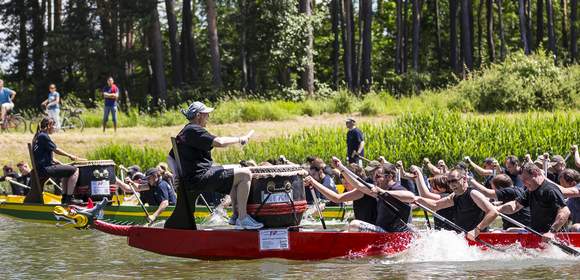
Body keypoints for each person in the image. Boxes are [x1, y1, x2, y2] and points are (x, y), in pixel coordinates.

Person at [169, 101, 263, 229]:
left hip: (195, 177)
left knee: (239, 168)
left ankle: (235, 216)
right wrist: (240, 139)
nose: (208, 118)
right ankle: (243, 218)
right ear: (198, 115)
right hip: (200, 178)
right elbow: (220, 142)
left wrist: (176, 174)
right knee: (246, 174)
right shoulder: (194, 130)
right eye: (206, 115)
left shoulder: (185, 132)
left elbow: (170, 157)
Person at [333, 157, 416, 233]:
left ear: (389, 177)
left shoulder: (396, 188)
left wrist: (383, 192)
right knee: (345, 232)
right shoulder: (378, 190)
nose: (375, 179)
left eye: (378, 176)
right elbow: (358, 185)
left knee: (355, 224)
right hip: (383, 231)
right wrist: (341, 168)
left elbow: (411, 197)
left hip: (396, 234)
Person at [415, 168, 499, 241]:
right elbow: (435, 205)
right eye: (449, 182)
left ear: (464, 179)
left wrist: (477, 230)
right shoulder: (455, 196)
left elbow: (493, 212)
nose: (452, 185)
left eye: (454, 181)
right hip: (464, 238)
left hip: (477, 237)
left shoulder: (473, 193)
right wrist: (417, 199)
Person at [496, 163, 570, 240]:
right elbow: (515, 205)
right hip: (538, 235)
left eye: (525, 180)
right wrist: (497, 209)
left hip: (555, 238)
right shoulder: (530, 190)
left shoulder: (550, 190)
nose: (524, 184)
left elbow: (565, 211)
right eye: (522, 181)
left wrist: (552, 232)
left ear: (535, 173)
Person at [32, 117, 85, 204]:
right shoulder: (43, 136)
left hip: (41, 168)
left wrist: (60, 163)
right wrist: (70, 156)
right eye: (54, 125)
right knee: (75, 170)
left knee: (66, 171)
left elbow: (44, 155)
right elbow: (56, 150)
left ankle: (64, 198)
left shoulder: (37, 136)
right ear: (49, 125)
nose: (55, 128)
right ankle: (69, 198)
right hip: (45, 169)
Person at [409, 166, 455, 231]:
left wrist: (418, 173)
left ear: (443, 188)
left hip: (449, 233)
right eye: (432, 187)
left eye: (434, 187)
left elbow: (425, 195)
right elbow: (422, 198)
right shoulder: (442, 195)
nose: (432, 189)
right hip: (442, 232)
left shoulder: (447, 196)